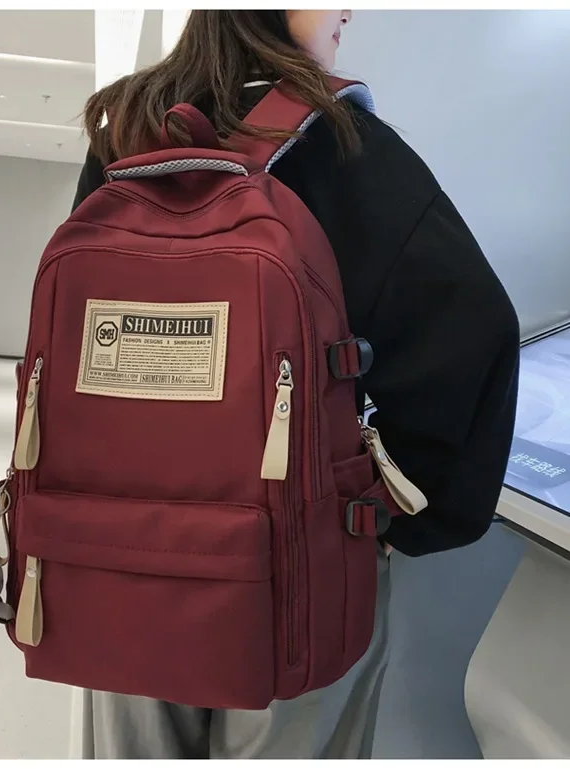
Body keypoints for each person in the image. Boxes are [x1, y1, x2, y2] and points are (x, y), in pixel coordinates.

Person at [69, 9, 520, 760]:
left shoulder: (125, 131)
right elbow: (472, 327)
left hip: (118, 545)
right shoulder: (343, 142)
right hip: (297, 559)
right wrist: (401, 511)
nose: (348, 9)